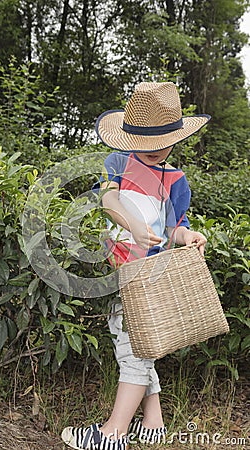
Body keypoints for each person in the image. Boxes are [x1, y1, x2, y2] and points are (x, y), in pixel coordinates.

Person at [61, 81, 210, 449]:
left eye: (164, 141)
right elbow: (108, 199)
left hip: (149, 277)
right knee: (136, 341)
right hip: (117, 271)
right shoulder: (117, 163)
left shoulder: (176, 180)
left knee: (135, 348)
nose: (157, 150)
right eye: (148, 143)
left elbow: (176, 226)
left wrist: (187, 238)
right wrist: (133, 227)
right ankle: (154, 421)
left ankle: (113, 433)